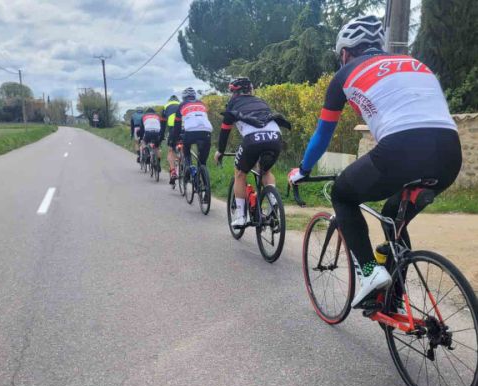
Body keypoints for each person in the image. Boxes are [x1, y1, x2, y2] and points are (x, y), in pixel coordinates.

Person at [289, 15, 461, 308]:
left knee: (342, 194)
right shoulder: (415, 63)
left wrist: (303, 170)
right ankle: (394, 299)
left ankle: (369, 272)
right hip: (449, 152)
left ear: (345, 53)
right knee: (393, 217)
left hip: (401, 147)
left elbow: (322, 135)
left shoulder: (344, 74)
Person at [214, 77, 290, 227]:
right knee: (265, 171)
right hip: (275, 138)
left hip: (252, 140)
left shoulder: (232, 105)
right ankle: (273, 205)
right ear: (251, 90)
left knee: (240, 174)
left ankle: (241, 216)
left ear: (234, 93)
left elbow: (224, 132)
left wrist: (220, 151)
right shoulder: (261, 101)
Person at [172, 87, 213, 177]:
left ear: (184, 97)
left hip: (190, 131)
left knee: (186, 148)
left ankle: (188, 166)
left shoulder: (182, 105)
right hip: (207, 131)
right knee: (202, 162)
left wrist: (176, 139)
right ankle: (202, 176)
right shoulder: (202, 104)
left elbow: (177, 125)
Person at [160, 95, 181, 185]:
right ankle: (184, 166)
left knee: (171, 150)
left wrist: (161, 136)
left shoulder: (166, 106)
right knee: (184, 148)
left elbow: (163, 124)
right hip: (184, 128)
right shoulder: (181, 105)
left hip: (173, 129)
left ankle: (173, 172)